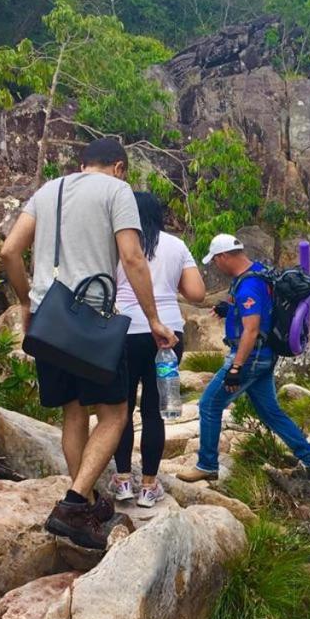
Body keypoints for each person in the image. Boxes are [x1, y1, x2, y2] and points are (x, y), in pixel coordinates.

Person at [0, 138, 176, 550]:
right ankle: (75, 503)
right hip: (91, 320)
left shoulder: (49, 190)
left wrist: (27, 301)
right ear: (119, 166)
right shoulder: (118, 191)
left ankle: (89, 501)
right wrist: (153, 319)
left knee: (73, 413)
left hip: (49, 321)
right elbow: (132, 258)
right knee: (114, 414)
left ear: (81, 165)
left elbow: (9, 250)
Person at [176, 232, 310, 483]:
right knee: (270, 412)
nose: (215, 265)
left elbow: (252, 330)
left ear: (224, 256)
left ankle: (207, 464)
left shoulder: (249, 286)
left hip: (251, 355)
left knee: (209, 405)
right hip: (265, 355)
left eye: (215, 260)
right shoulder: (259, 272)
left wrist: (236, 368)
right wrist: (229, 309)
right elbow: (258, 311)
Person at [111, 192, 206, 507]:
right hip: (167, 336)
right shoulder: (176, 246)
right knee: (154, 413)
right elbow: (196, 292)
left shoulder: (117, 244)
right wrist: (170, 282)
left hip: (122, 333)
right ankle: (150, 487)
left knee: (120, 411)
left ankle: (123, 480)